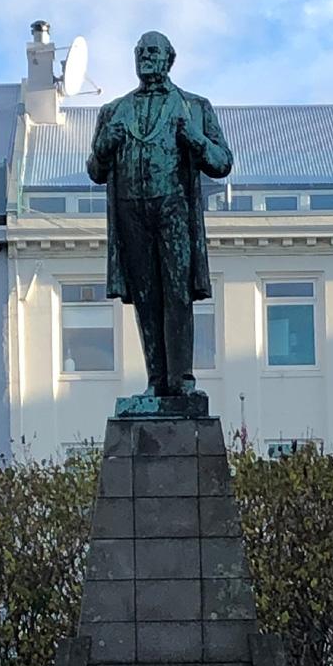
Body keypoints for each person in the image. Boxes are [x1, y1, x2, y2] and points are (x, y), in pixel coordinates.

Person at [86, 31, 233, 398]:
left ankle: (182, 380)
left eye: (153, 51)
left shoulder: (195, 106)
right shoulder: (113, 111)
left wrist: (196, 139)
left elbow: (222, 163)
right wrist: (104, 147)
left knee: (177, 294)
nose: (145, 57)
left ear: (170, 58)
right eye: (140, 52)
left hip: (173, 209)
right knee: (146, 296)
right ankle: (156, 381)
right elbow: (95, 171)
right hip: (131, 210)